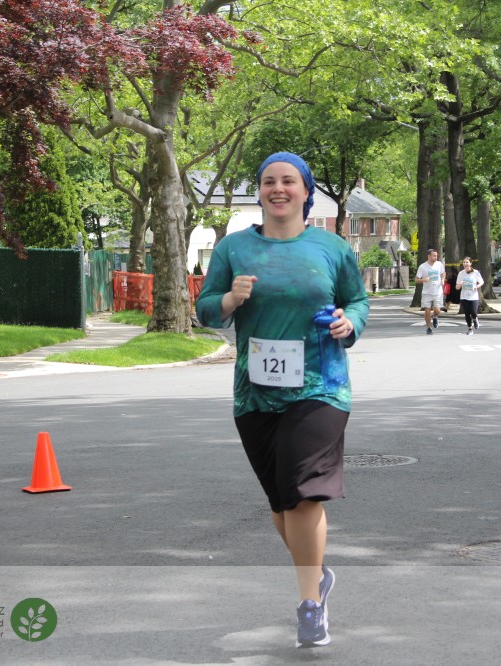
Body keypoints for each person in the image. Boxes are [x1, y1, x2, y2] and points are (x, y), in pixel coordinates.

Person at [196, 152, 369, 649]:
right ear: (260, 191)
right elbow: (206, 309)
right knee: (280, 502)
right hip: (255, 392)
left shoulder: (331, 247)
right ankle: (318, 575)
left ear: (305, 190)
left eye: (288, 181)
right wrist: (230, 300)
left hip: (321, 386)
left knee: (302, 491)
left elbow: (357, 301)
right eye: (268, 181)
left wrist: (350, 323)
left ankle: (310, 606)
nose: (278, 188)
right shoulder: (234, 248)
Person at [415, 249, 445, 334]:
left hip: (438, 291)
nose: (436, 257)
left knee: (438, 310)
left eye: (436, 256)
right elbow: (416, 280)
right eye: (434, 256)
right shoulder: (422, 267)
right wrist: (424, 280)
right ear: (429, 256)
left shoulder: (439, 264)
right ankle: (429, 327)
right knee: (427, 310)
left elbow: (443, 273)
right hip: (427, 292)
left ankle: (435, 316)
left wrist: (442, 279)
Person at [455, 256, 484, 335]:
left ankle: (475, 319)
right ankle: (470, 329)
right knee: (467, 313)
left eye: (467, 262)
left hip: (473, 296)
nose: (465, 264)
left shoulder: (475, 272)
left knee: (473, 312)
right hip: (464, 296)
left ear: (470, 263)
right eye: (464, 262)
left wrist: (476, 286)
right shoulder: (461, 273)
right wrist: (460, 284)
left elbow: (481, 282)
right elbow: (457, 287)